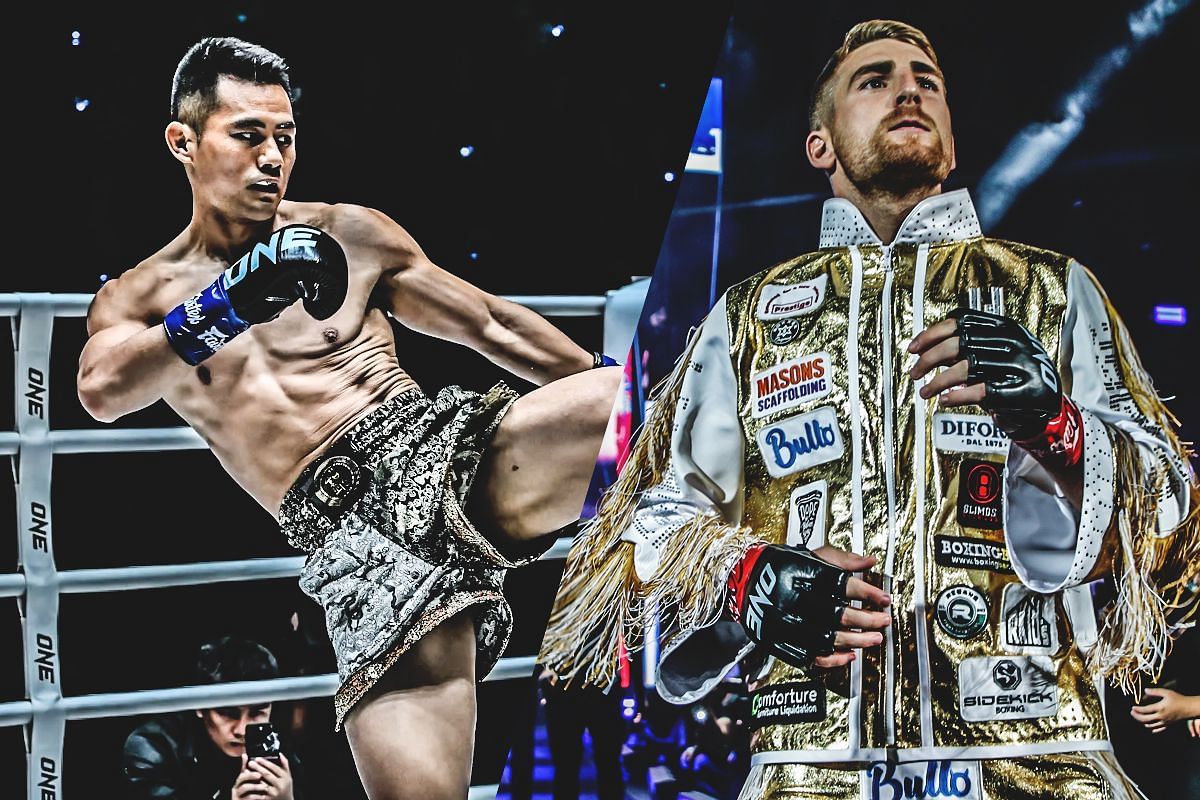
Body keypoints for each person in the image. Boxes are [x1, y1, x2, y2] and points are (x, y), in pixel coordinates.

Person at [540, 19, 1200, 800]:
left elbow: (1173, 503)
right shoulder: (747, 316)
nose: (910, 88)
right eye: (875, 78)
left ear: (951, 146)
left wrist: (1060, 428)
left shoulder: (1053, 291)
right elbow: (650, 520)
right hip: (809, 769)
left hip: (1041, 758)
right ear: (820, 145)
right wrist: (741, 572)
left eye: (928, 79)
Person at [79, 37, 623, 800]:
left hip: (439, 459)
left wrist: (612, 396)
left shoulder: (349, 233)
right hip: (353, 551)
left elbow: (492, 326)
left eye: (285, 137)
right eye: (248, 135)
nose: (272, 156)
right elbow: (101, 391)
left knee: (647, 405)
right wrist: (230, 303)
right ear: (184, 141)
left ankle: (733, 587)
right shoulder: (141, 297)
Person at [121, 636, 306, 800]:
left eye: (257, 712)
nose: (242, 730)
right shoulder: (154, 747)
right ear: (199, 706)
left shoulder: (272, 743)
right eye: (227, 714)